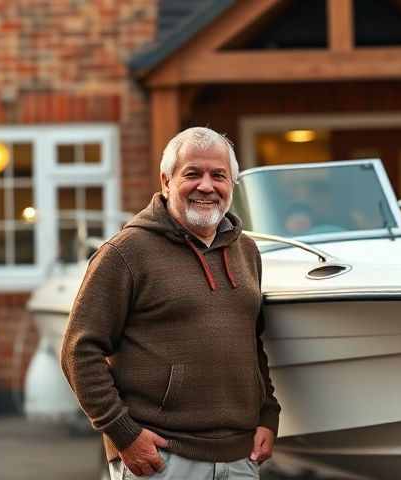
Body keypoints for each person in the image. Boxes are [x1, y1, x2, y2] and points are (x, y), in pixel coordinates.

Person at [61, 127, 281, 480]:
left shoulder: (247, 252)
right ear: (166, 180)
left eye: (218, 175)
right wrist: (124, 434)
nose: (206, 186)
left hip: (240, 458)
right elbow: (78, 352)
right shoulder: (125, 253)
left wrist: (268, 415)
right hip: (161, 459)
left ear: (232, 185)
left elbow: (252, 346)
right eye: (192, 174)